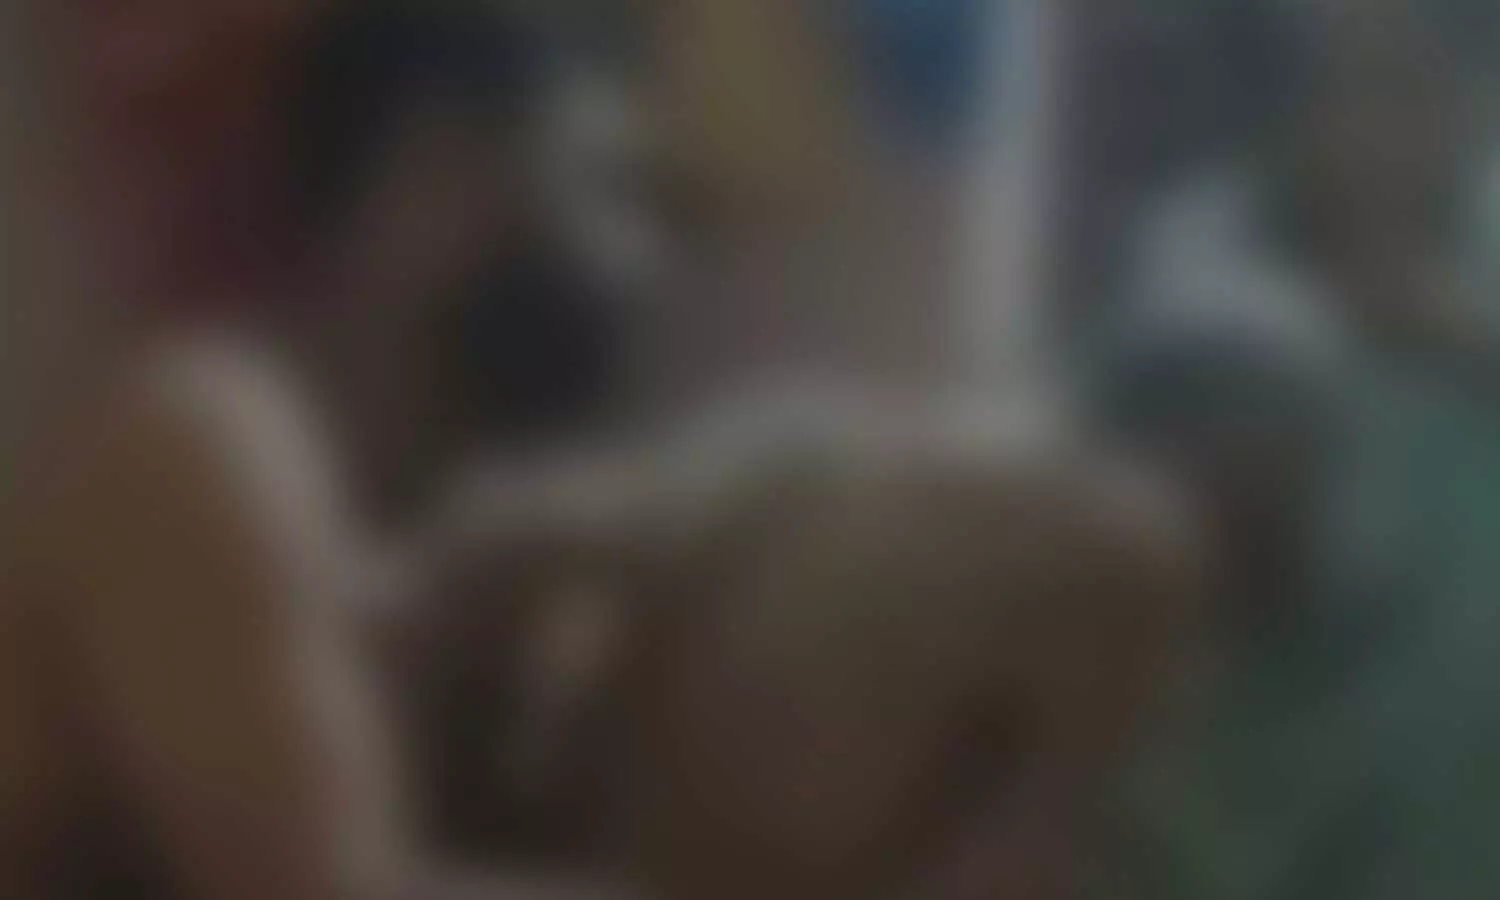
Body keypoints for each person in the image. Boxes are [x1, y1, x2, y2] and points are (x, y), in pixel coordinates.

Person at [0, 3, 632, 898]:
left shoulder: (448, 534)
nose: (632, 261)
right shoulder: (205, 434)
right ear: (432, 176)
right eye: (591, 186)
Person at [1090, 1, 1500, 897]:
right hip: (1252, 787)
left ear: (1463, 105)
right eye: (1339, 92)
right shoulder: (1203, 253)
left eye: (1409, 91)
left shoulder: (1485, 241)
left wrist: (1459, 337)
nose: (1373, 134)